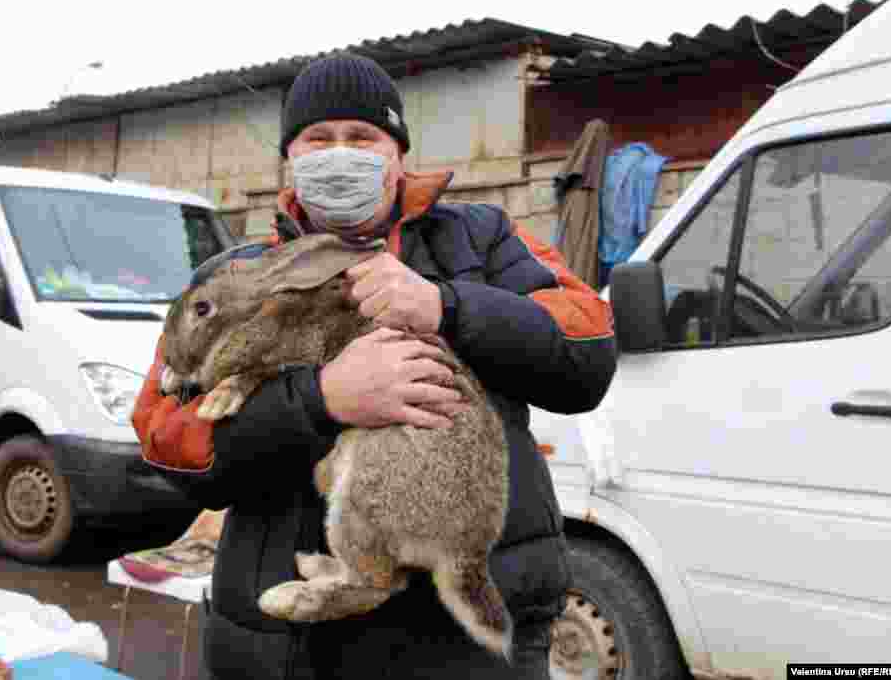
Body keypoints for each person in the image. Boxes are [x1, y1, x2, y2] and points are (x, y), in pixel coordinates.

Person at [132, 53, 617, 680]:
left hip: (462, 644)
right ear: (291, 158)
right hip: (281, 645)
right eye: (319, 139)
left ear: (397, 154)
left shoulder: (481, 240)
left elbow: (588, 354)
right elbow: (167, 444)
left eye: (362, 137)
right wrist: (319, 400)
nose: (340, 154)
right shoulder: (233, 280)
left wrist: (447, 306)